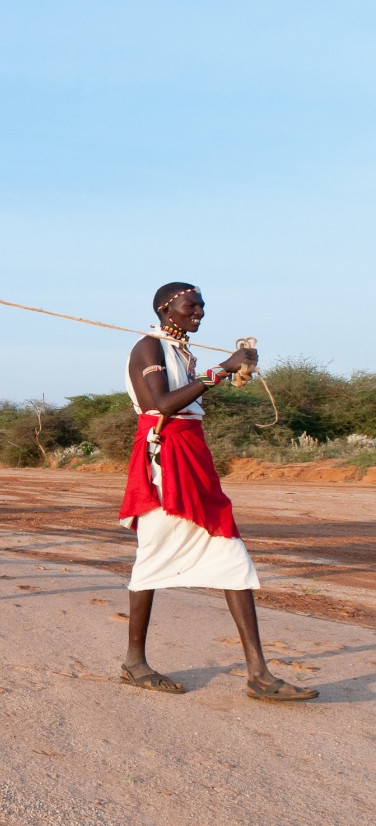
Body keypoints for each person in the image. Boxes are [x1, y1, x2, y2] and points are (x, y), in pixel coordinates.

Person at [118, 282, 317, 701]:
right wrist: (222, 370)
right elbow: (163, 404)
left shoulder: (179, 351)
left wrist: (223, 371)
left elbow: (184, 401)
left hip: (192, 460)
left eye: (202, 306)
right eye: (192, 305)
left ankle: (258, 674)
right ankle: (135, 663)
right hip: (166, 464)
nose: (200, 312)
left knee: (232, 556)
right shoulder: (148, 348)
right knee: (152, 556)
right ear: (165, 309)